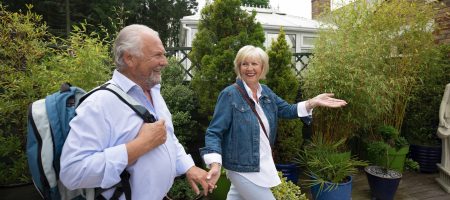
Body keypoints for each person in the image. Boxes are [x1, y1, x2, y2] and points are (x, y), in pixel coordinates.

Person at [60, 24, 212, 200]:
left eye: (163, 54)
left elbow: (166, 137)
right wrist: (140, 145)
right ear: (130, 58)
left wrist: (188, 167)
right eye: (157, 55)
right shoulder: (99, 104)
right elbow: (72, 172)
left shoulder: (153, 91)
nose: (165, 61)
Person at [200, 45, 348, 200]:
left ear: (262, 67)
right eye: (245, 64)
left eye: (254, 64)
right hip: (242, 168)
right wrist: (215, 164)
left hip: (262, 164)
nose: (249, 68)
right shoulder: (229, 95)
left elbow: (288, 110)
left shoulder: (266, 92)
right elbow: (214, 132)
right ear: (239, 67)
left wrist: (313, 102)